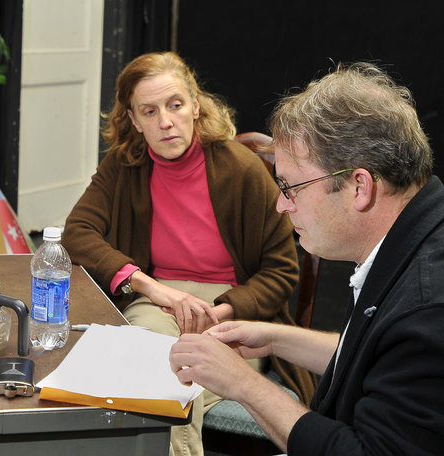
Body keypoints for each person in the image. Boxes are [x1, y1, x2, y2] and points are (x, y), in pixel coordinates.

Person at [170, 62, 444, 455]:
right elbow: (376, 355)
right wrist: (274, 339)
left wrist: (243, 384)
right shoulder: (417, 232)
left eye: (289, 186)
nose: (282, 204)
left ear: (358, 187)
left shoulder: (427, 308)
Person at [61, 51, 316, 456]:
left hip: (231, 308)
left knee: (177, 374)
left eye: (175, 105)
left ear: (195, 106)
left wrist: (222, 311)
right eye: (149, 110)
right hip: (156, 302)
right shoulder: (124, 167)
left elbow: (281, 272)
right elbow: (77, 233)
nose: (165, 121)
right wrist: (153, 289)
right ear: (133, 119)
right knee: (150, 366)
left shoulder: (242, 170)